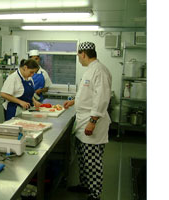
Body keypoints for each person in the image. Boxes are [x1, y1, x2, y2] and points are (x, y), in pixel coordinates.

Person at [63, 41, 112, 200]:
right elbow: (87, 94)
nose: (79, 59)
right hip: (83, 120)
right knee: (83, 158)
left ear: (83, 54)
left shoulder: (99, 71)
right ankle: (84, 185)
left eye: (78, 55)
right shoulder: (90, 70)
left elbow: (102, 98)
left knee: (93, 160)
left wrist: (93, 120)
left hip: (93, 122)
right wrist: (74, 101)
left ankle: (95, 193)